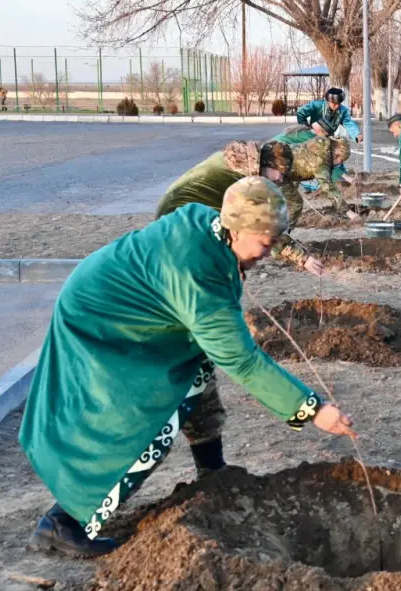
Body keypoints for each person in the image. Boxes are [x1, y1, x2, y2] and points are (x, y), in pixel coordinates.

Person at [22, 177, 357, 557]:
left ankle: (212, 474)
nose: (267, 253)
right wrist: (313, 409)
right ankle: (60, 522)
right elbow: (242, 361)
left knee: (195, 375)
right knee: (133, 420)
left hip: (136, 316)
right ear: (236, 228)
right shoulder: (197, 273)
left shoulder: (211, 226)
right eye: (265, 242)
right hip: (102, 323)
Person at [156, 140, 325, 276]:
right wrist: (304, 258)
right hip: (180, 220)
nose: (281, 180)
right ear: (270, 165)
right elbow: (262, 226)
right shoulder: (245, 183)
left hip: (174, 210)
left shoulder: (237, 161)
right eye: (281, 173)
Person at [272, 134, 363, 227]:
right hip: (276, 170)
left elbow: (297, 170)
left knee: (286, 202)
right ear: (337, 154)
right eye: (342, 159)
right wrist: (350, 213)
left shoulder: (318, 148)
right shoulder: (320, 161)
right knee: (295, 204)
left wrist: (292, 190)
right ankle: (280, 234)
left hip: (278, 167)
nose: (341, 163)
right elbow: (328, 188)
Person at [295, 88, 361, 143]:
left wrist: (356, 135)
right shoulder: (316, 105)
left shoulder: (342, 111)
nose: (337, 106)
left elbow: (348, 123)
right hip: (312, 137)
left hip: (329, 138)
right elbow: (300, 112)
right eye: (334, 104)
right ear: (328, 101)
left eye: (339, 103)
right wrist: (305, 127)